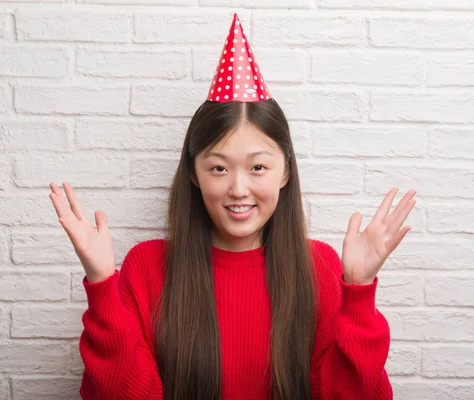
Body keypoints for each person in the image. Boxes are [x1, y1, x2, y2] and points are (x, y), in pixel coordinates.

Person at [48, 13, 416, 400]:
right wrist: (103, 283)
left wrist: (357, 293)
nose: (239, 189)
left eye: (258, 167)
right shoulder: (146, 267)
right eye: (219, 168)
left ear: (285, 172)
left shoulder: (319, 268)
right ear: (193, 173)